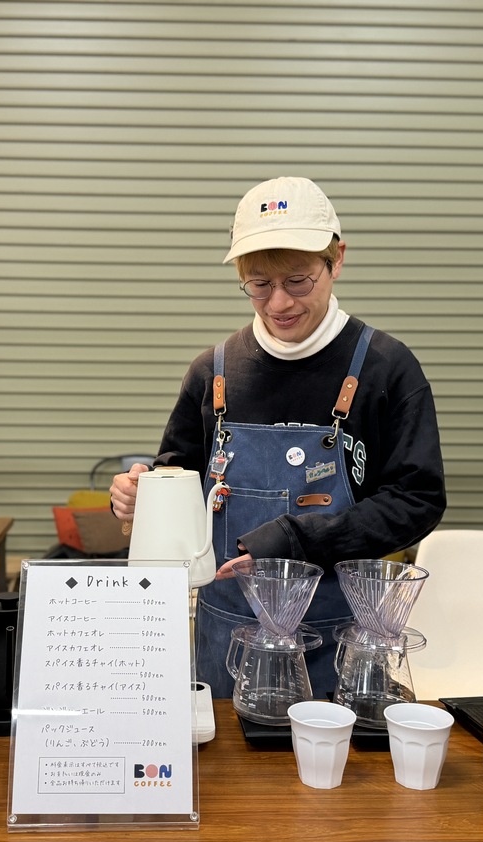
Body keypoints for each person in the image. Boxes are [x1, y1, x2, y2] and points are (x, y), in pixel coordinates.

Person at [110, 176, 446, 702]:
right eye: (259, 284)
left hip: (341, 638)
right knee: (229, 779)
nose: (279, 303)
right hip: (226, 636)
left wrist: (297, 539)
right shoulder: (212, 373)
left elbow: (417, 501)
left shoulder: (386, 369)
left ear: (336, 259)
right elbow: (177, 479)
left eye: (298, 280)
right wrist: (139, 497)